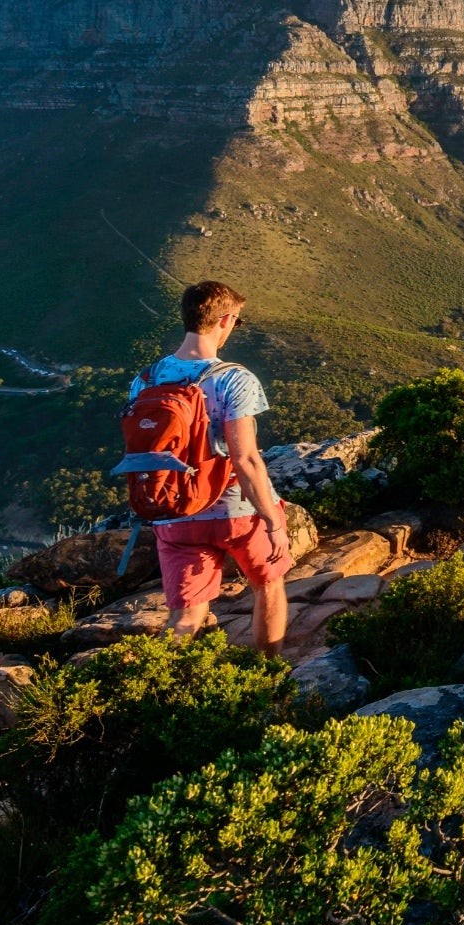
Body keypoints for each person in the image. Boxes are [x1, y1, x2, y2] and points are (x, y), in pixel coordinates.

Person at [130, 281, 293, 656]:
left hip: (173, 512)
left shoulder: (145, 381)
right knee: (268, 583)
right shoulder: (234, 378)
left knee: (186, 618)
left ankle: (160, 688)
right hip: (236, 508)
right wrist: (272, 520)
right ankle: (267, 677)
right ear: (225, 319)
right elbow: (245, 458)